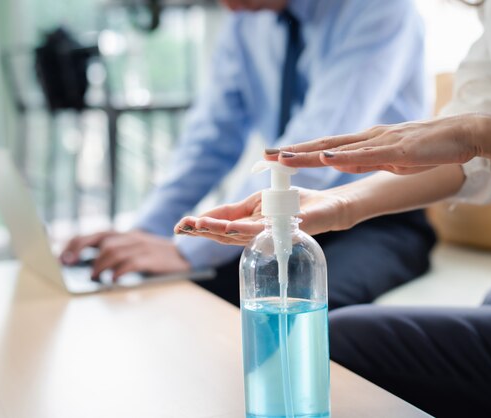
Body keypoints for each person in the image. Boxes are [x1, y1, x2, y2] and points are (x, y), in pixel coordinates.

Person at [176, 1, 491, 416]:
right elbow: (470, 160)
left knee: (342, 343)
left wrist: (475, 132)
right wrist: (341, 203)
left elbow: (475, 137)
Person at [61, 0, 437, 309]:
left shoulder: (380, 9)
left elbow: (315, 151)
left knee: (303, 307)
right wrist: (148, 233)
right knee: (176, 293)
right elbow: (209, 140)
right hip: (278, 222)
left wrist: (189, 250)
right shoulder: (246, 24)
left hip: (374, 218)